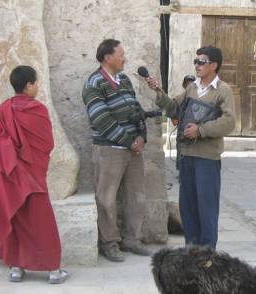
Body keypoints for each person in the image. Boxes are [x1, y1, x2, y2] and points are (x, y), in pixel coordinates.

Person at [147, 46, 236, 249]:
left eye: (201, 62)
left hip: (207, 158)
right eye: (195, 61)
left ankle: (207, 252)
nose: (197, 66)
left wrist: (201, 130)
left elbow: (229, 122)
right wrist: (158, 91)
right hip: (186, 156)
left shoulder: (223, 90)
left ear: (213, 65)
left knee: (207, 206)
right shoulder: (192, 88)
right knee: (188, 206)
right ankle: (191, 249)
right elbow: (174, 108)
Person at [0, 65, 68, 283]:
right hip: (32, 177)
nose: (37, 86)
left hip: (11, 178)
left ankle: (16, 267)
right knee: (42, 222)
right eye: (36, 83)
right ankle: (53, 269)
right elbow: (46, 143)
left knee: (17, 220)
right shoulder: (37, 109)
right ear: (28, 85)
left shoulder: (1, 111)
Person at [82, 39, 151, 262]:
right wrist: (128, 141)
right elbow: (100, 118)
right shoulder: (94, 83)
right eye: (121, 54)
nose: (125, 58)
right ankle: (109, 243)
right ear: (107, 57)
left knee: (136, 196)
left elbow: (136, 108)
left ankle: (132, 239)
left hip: (133, 149)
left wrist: (141, 136)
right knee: (106, 199)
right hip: (109, 149)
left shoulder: (124, 79)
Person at [173, 75, 196, 172]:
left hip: (194, 128)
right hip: (182, 128)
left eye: (191, 83)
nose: (189, 85)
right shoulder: (180, 98)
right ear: (184, 85)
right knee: (181, 149)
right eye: (187, 84)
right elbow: (172, 106)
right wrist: (174, 117)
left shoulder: (198, 98)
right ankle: (181, 170)